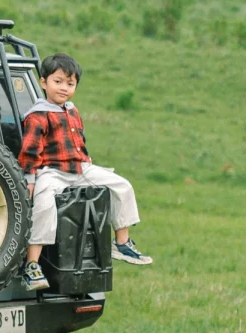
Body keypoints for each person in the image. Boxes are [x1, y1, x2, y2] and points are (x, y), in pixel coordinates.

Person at [18, 53, 151, 292]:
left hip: (81, 168)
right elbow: (30, 151)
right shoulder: (38, 115)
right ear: (43, 82)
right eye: (57, 81)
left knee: (122, 186)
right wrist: (30, 180)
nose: (64, 88)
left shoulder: (72, 110)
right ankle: (32, 264)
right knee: (44, 205)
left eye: (70, 84)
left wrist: (88, 161)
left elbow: (80, 140)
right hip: (52, 171)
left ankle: (121, 242)